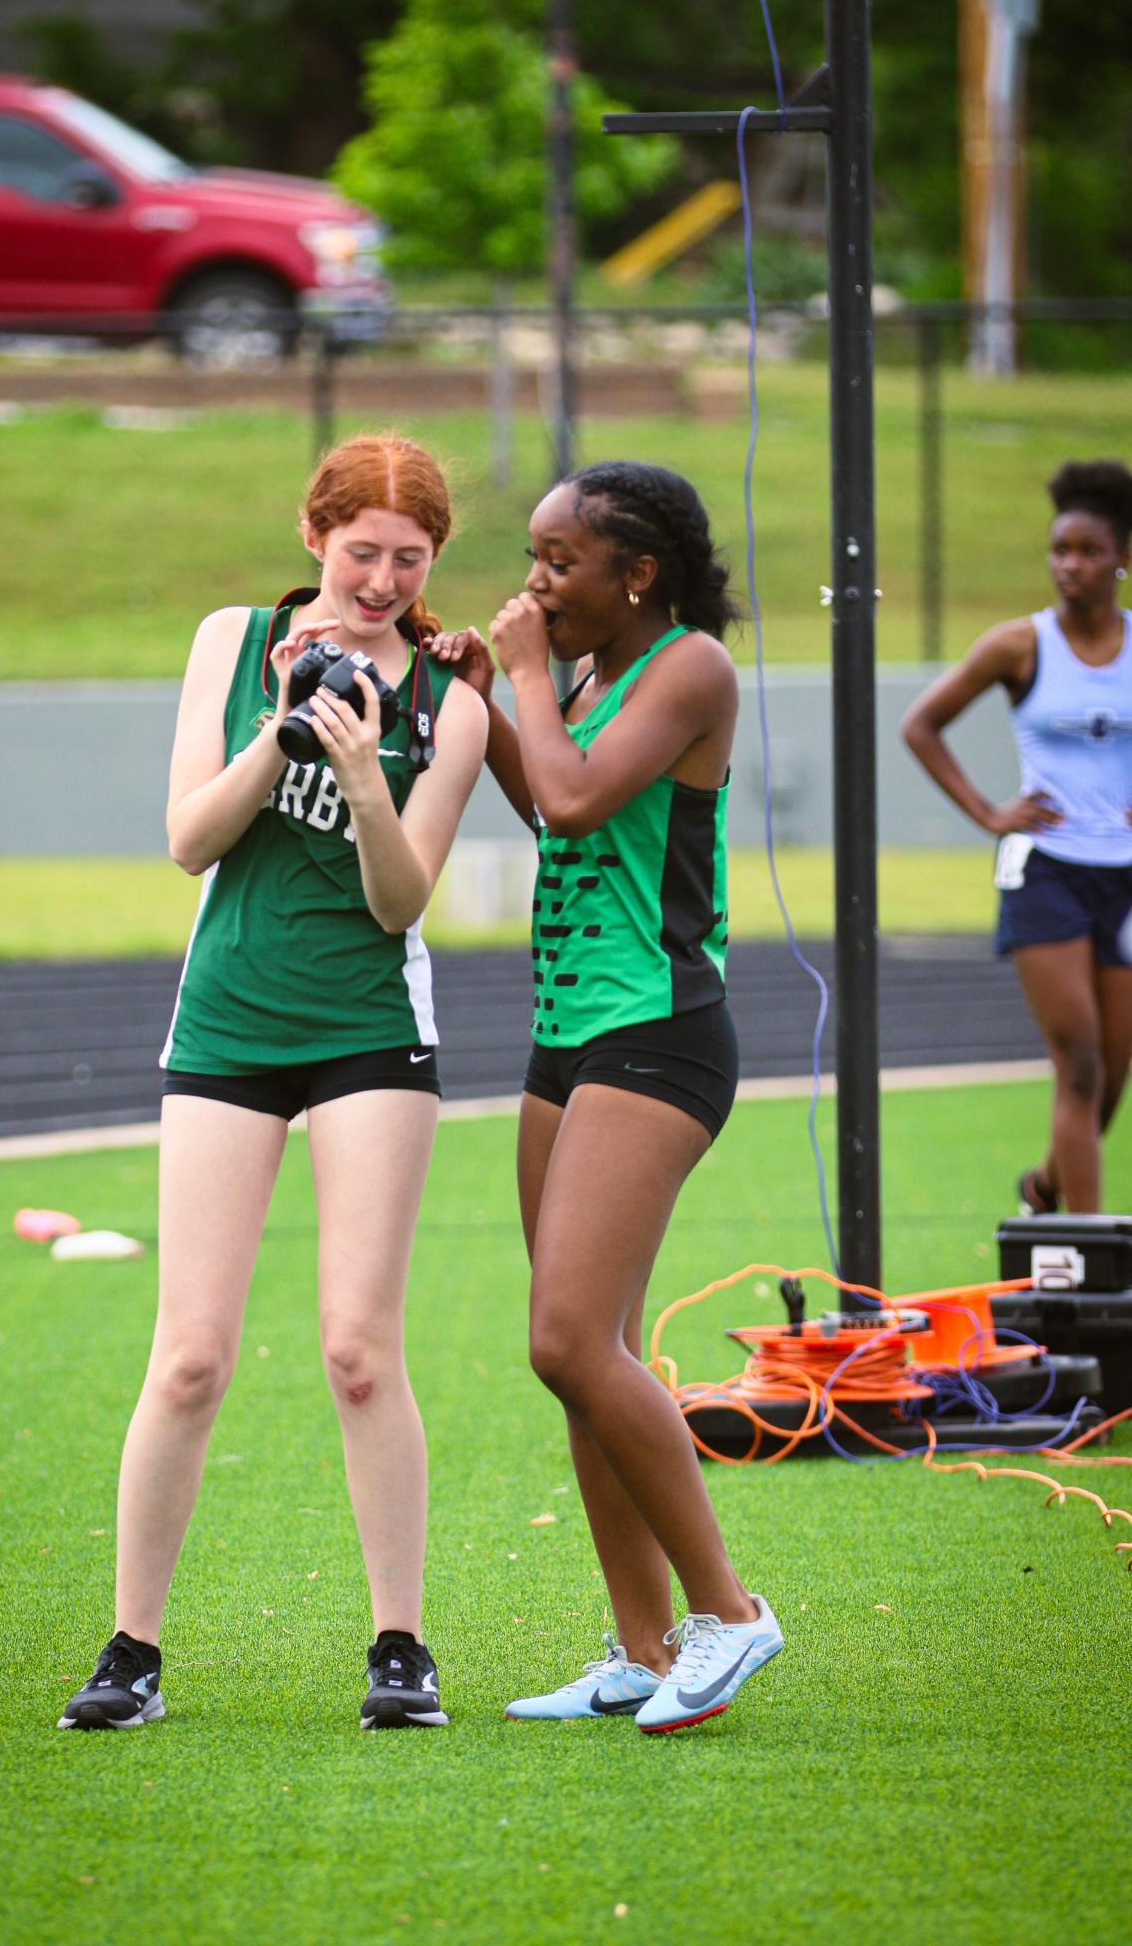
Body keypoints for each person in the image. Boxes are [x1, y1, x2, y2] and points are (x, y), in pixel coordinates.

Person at [60, 435, 487, 1732]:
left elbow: (401, 896)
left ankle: (399, 1645)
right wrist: (279, 731)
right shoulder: (233, 638)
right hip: (230, 1018)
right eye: (360, 552)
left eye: (407, 561)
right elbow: (190, 838)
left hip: (366, 1021)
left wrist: (362, 768)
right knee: (188, 1355)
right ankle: (132, 1648)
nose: (380, 579)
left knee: (359, 1351)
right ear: (315, 538)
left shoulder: (450, 700)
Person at [428, 460, 782, 1734]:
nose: (533, 584)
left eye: (557, 561)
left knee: (566, 1338)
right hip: (564, 1038)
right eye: (531, 558)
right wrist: (496, 690)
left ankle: (730, 1616)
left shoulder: (688, 667)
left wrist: (520, 677)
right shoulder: (582, 674)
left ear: (636, 574)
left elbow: (576, 792)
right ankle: (639, 1647)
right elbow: (554, 812)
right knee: (585, 1364)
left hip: (659, 1034)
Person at [902, 458, 1132, 1216]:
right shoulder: (1019, 646)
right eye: (1060, 549)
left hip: (1123, 877)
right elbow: (921, 724)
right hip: (1045, 870)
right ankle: (1094, 1251)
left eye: (1090, 551)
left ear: (1123, 558)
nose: (1071, 565)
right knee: (1081, 1063)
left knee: (1113, 1071)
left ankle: (1045, 1189)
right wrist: (989, 812)